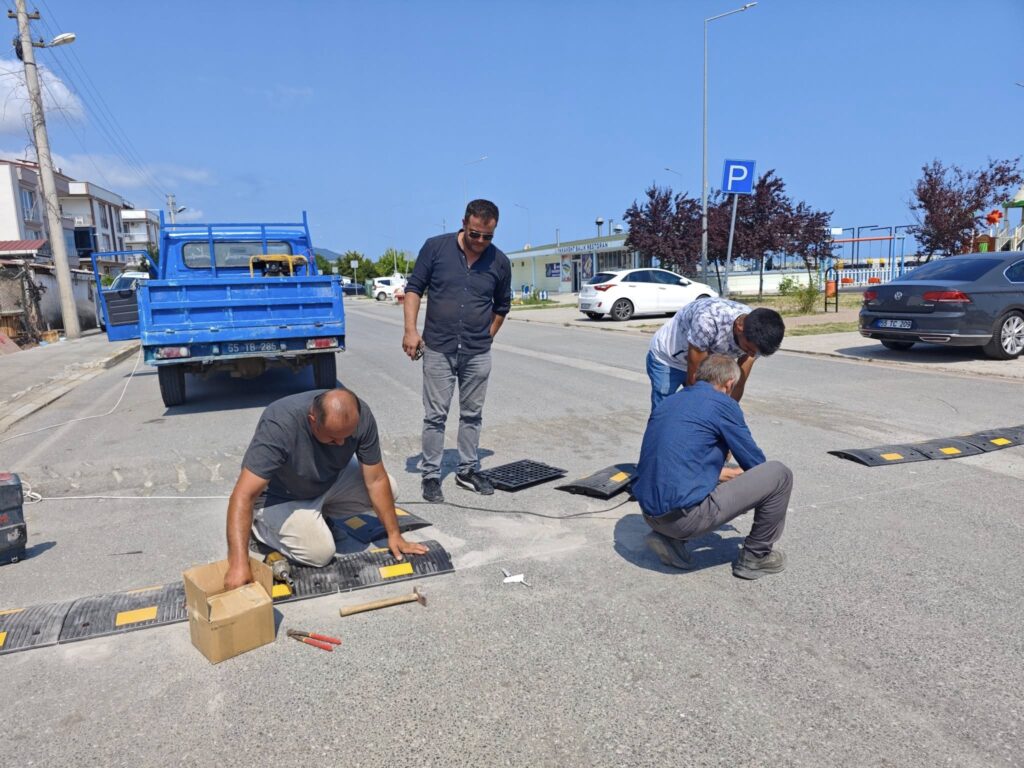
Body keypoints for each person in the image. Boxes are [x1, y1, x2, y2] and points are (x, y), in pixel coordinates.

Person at [223, 388, 428, 590]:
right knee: (320, 554)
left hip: (325, 482)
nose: (340, 444)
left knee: (389, 490)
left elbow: (375, 480)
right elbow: (243, 496)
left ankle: (318, 515)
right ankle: (260, 530)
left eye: (346, 437)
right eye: (332, 438)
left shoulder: (359, 415)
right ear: (313, 420)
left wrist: (394, 534)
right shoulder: (280, 424)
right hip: (279, 496)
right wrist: (238, 563)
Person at [632, 354, 793, 580]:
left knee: (696, 472)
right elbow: (756, 465)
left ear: (699, 376)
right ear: (729, 384)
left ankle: (669, 538)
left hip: (650, 514)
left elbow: (680, 460)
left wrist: (729, 474)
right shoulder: (723, 404)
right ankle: (756, 556)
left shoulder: (670, 401)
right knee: (779, 474)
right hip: (685, 519)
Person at [403, 199, 512, 503]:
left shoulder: (499, 262)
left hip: (477, 353)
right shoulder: (435, 248)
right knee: (435, 415)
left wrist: (485, 337)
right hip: (438, 347)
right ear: (464, 223)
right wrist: (411, 331)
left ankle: (467, 470)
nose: (480, 242)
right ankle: (430, 475)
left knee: (472, 414)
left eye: (487, 236)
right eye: (475, 234)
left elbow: (502, 307)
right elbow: (414, 289)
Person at [646, 296, 785, 413]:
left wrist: (726, 413)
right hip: (668, 358)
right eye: (748, 349)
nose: (751, 354)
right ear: (739, 328)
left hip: (706, 358)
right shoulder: (708, 320)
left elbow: (738, 383)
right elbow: (695, 380)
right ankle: (657, 443)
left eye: (756, 352)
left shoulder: (758, 336)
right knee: (664, 411)